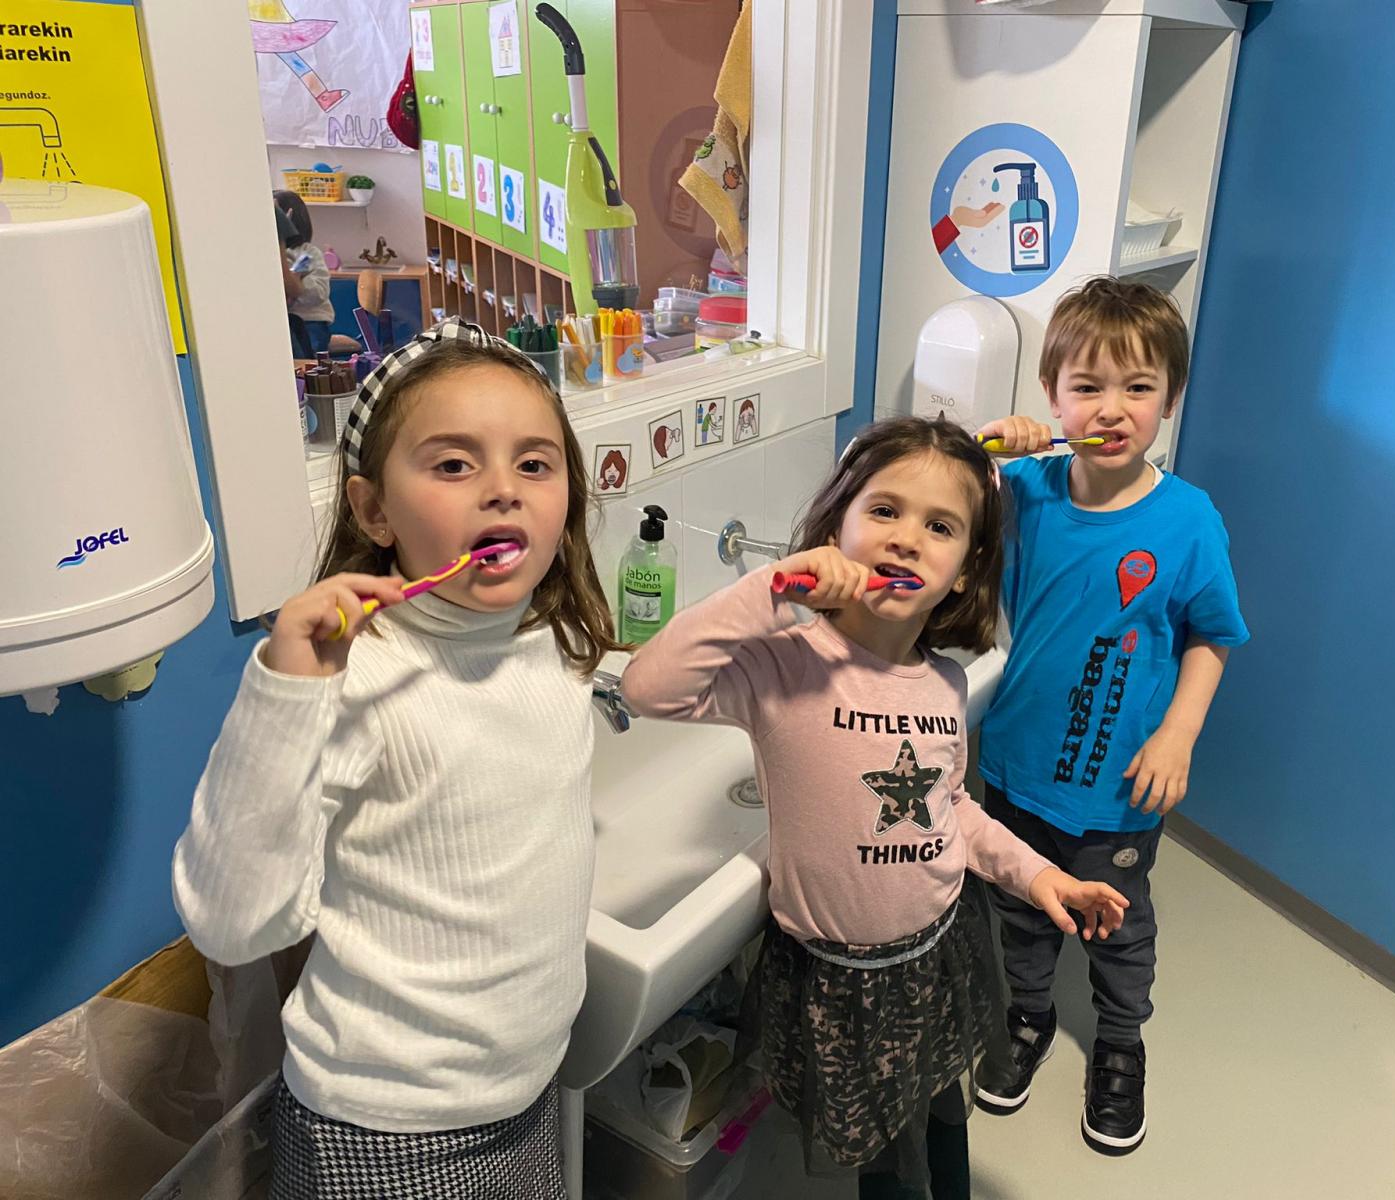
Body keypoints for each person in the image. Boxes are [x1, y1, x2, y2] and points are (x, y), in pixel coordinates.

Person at [621, 417, 1130, 1198]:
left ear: (963, 572)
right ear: (836, 531)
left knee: (940, 1117)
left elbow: (951, 808)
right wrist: (772, 589)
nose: (906, 539)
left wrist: (1039, 877)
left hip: (939, 955)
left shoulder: (944, 685)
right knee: (881, 1159)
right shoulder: (783, 668)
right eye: (885, 510)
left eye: (940, 527)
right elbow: (647, 687)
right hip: (834, 981)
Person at [173, 318, 621, 1198]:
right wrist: (286, 693)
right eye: (454, 464)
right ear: (374, 510)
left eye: (535, 464)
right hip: (385, 1134)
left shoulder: (552, 643)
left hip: (524, 1095)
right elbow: (231, 925)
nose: (504, 490)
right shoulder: (357, 680)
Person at [972, 276, 1249, 1156]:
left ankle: (1121, 1044)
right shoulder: (1025, 490)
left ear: (1170, 397)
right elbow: (933, 493)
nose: (1112, 408)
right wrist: (987, 448)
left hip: (1120, 784)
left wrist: (1178, 734)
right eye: (1087, 386)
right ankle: (1026, 1016)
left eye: (1138, 386)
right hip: (1016, 763)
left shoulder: (1188, 521)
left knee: (1115, 923)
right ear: (1052, 396)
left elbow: (1214, 635)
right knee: (1020, 909)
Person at [274, 189, 335, 356]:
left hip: (310, 322)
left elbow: (319, 292)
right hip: (281, 323)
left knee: (306, 357)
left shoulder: (308, 253)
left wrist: (295, 282)